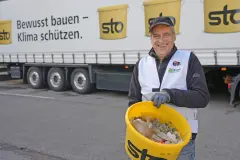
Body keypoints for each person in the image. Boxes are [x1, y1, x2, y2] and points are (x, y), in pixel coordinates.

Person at [128, 16, 210, 160]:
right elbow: (134, 103)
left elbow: (202, 97)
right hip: (148, 141)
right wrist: (137, 130)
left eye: (166, 35)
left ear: (174, 37)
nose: (161, 40)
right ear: (151, 39)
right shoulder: (141, 65)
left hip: (180, 140)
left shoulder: (188, 59)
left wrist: (170, 95)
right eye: (156, 36)